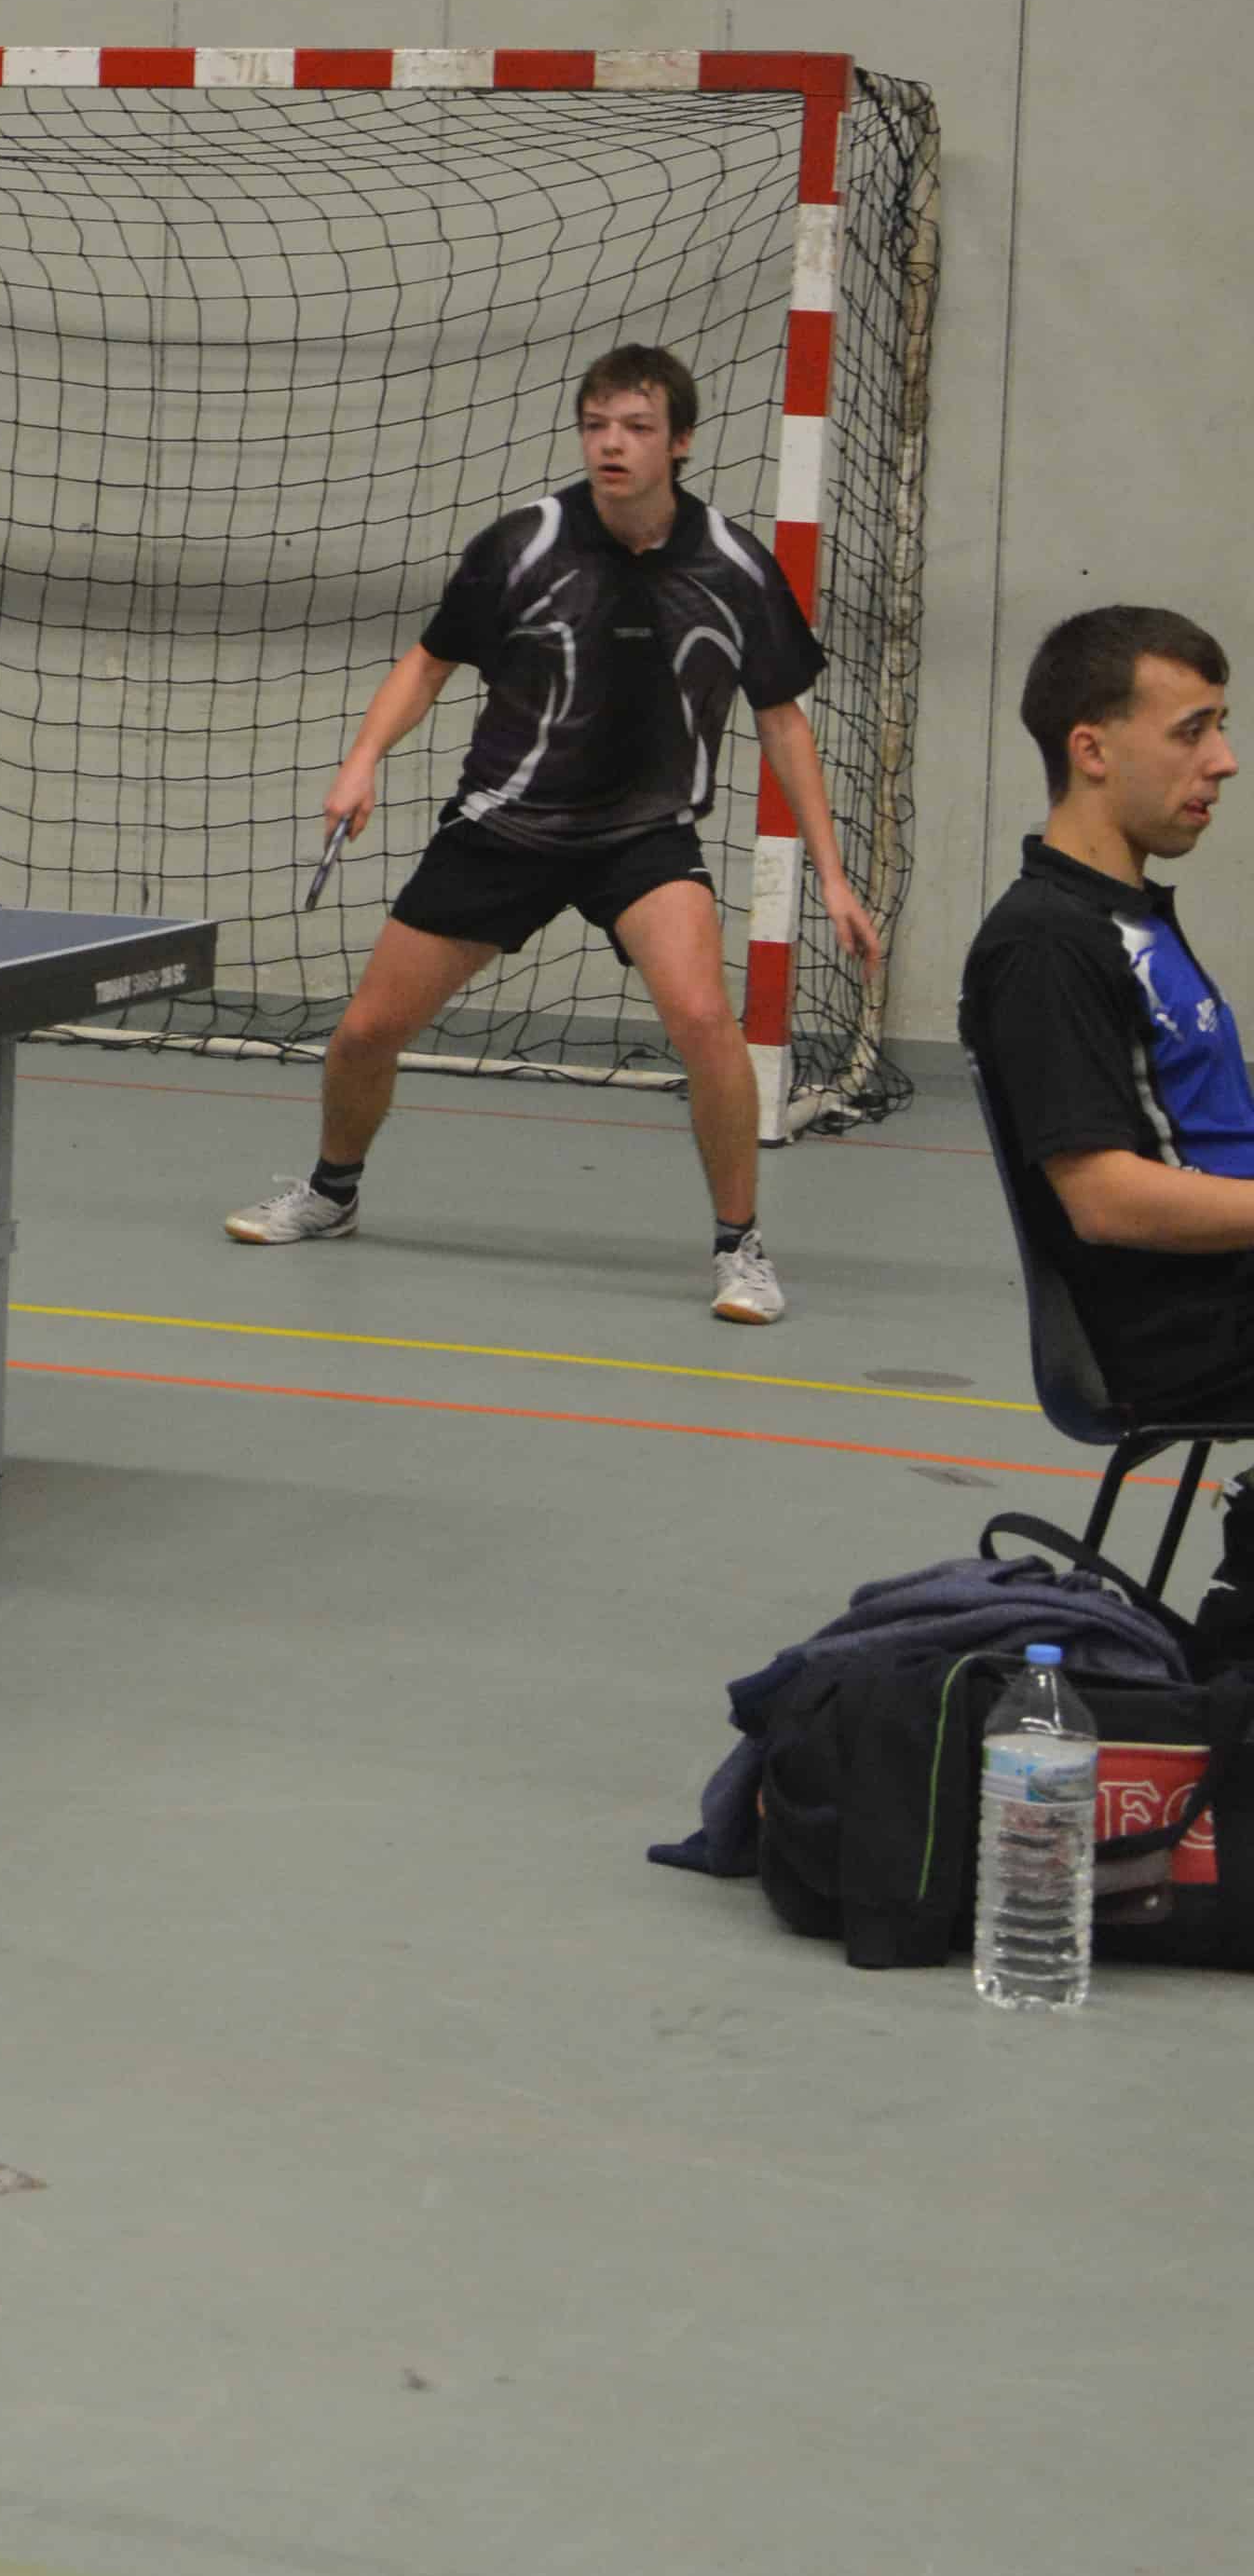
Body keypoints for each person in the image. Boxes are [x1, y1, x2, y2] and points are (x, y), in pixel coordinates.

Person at [227, 344, 879, 1322]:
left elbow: (783, 723)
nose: (612, 445)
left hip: (644, 838)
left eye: (637, 427)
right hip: (503, 826)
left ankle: (738, 1246)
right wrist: (360, 761)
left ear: (681, 442)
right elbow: (429, 663)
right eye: (596, 426)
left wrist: (829, 875)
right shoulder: (522, 545)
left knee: (707, 1024)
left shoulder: (735, 565)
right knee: (366, 1032)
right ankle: (332, 1193)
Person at [959, 605, 1254, 1655]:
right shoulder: (1047, 946)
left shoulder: (1128, 918)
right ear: (1091, 749)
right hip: (1172, 1330)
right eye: (1190, 732)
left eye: (1220, 729)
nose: (1222, 762)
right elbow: (1105, 1198)